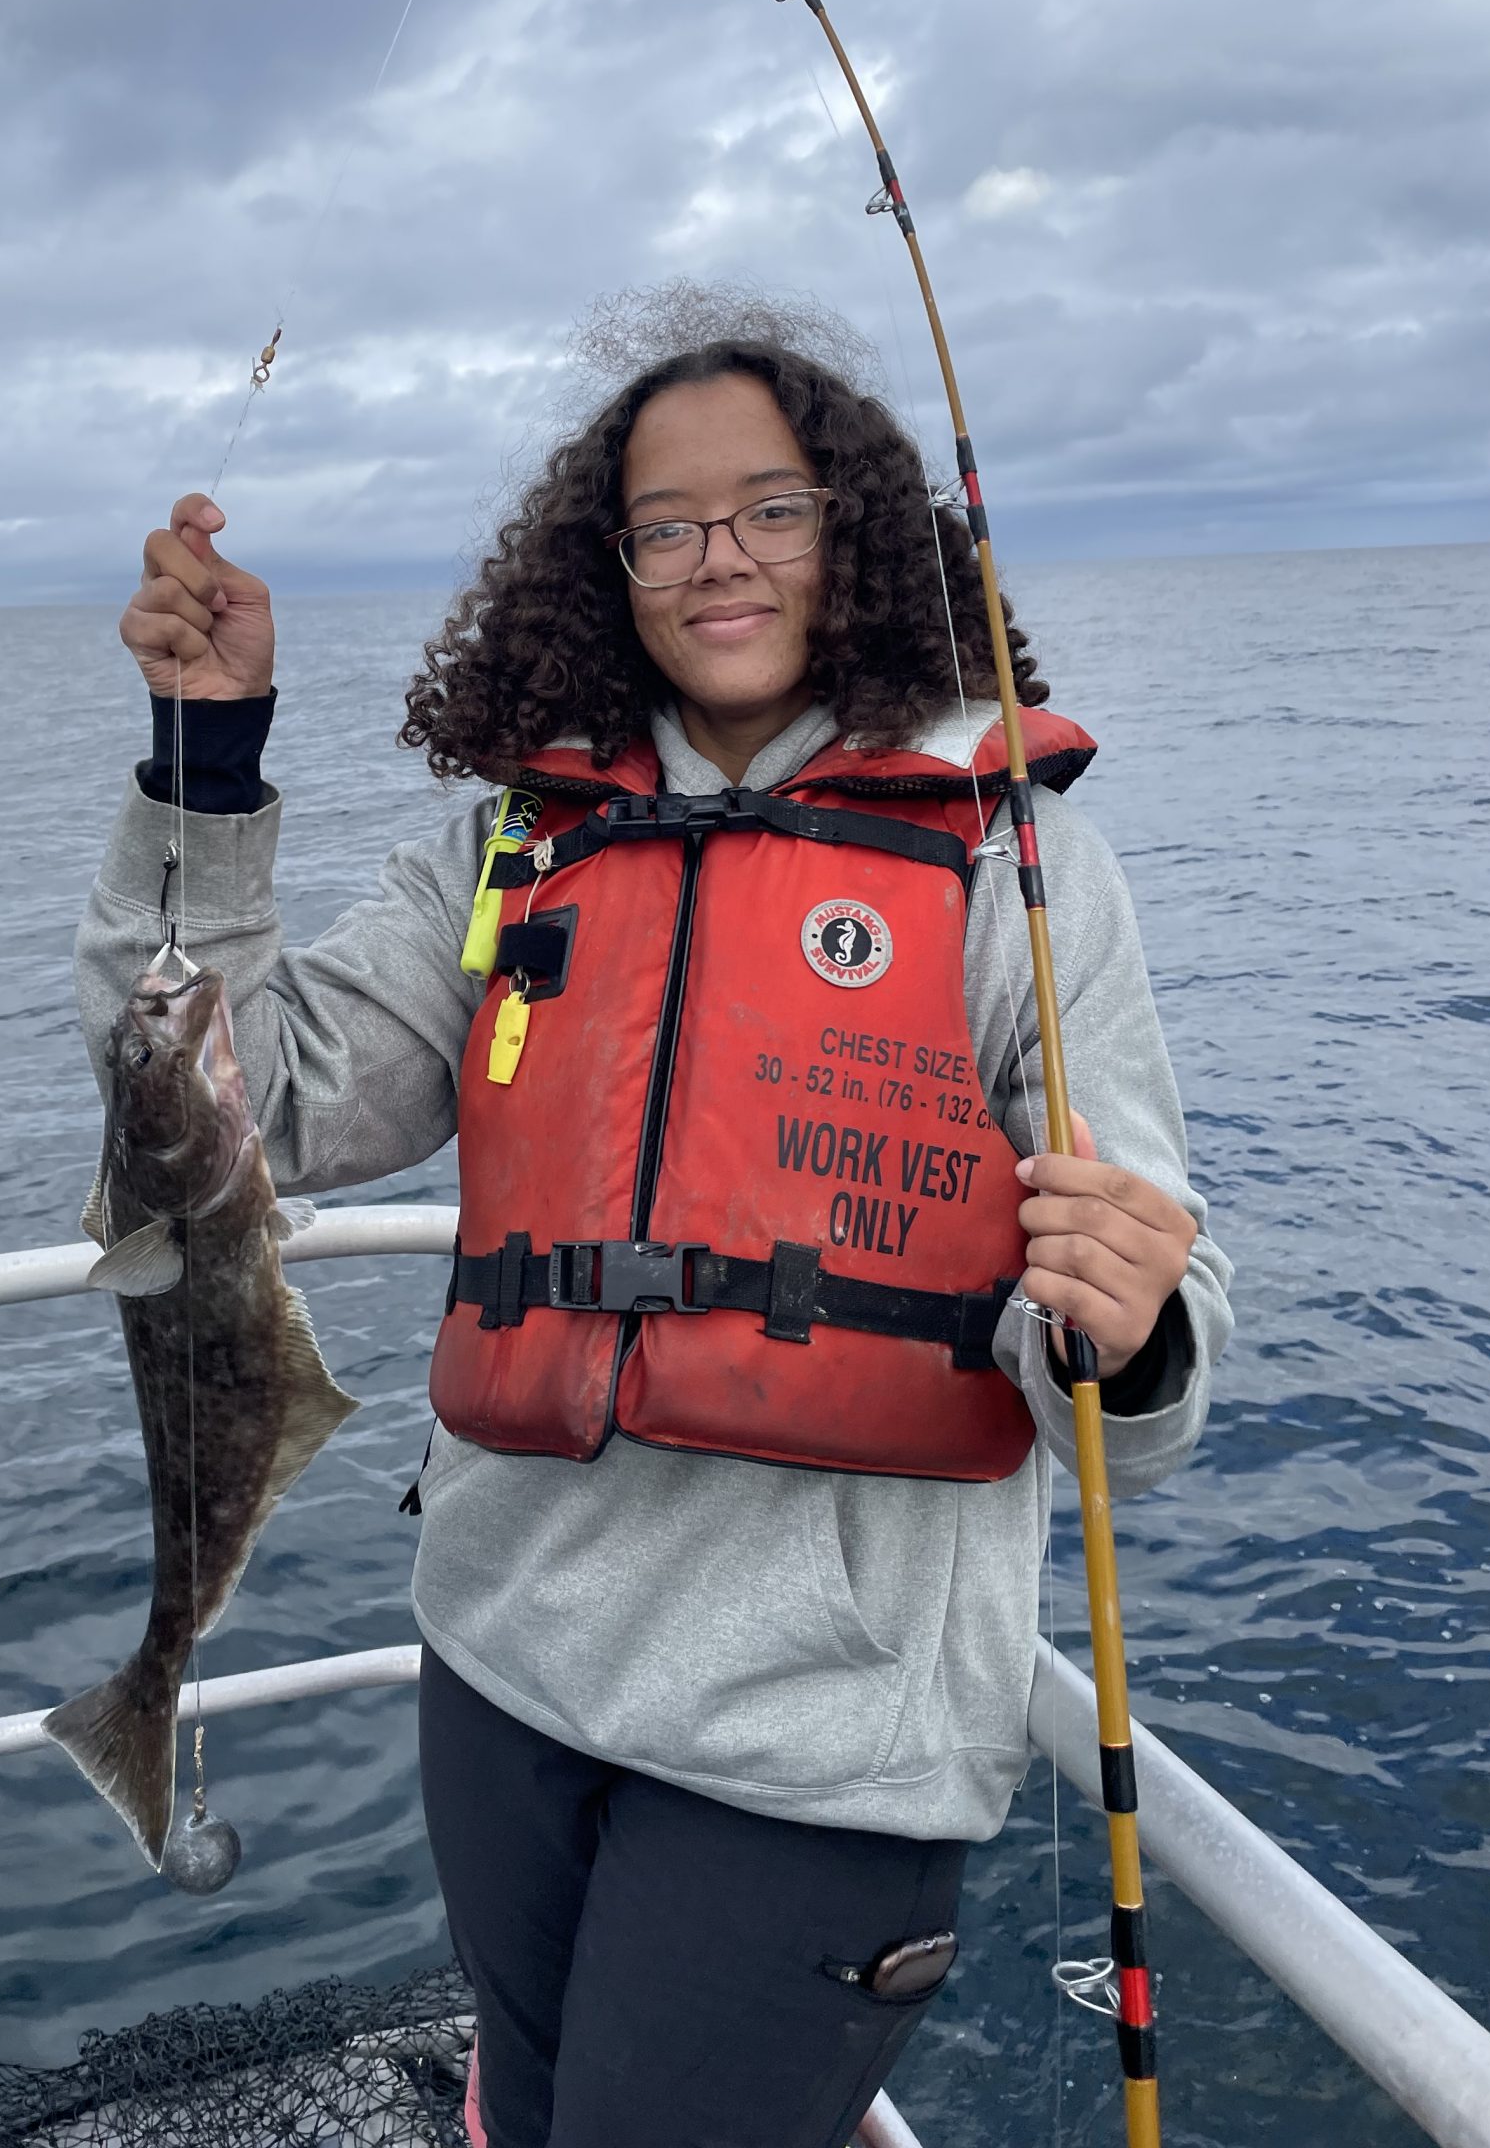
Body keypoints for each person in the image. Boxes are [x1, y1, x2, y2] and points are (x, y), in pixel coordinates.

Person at [75, 327, 1233, 2148]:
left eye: (770, 508)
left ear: (855, 538)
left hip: (820, 1742)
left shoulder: (1018, 865)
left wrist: (1130, 1322)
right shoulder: (513, 848)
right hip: (507, 1665)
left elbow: (1147, 1379)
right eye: (665, 524)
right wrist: (205, 768)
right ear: (603, 571)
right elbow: (258, 1103)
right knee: (523, 2116)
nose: (719, 560)